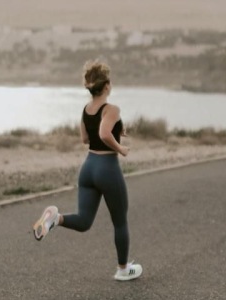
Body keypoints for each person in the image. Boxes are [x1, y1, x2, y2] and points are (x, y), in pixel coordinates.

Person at [32, 60, 143, 281]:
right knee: (120, 221)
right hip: (107, 169)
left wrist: (117, 132)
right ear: (107, 85)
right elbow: (103, 134)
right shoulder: (111, 109)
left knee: (84, 221)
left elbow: (86, 138)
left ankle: (56, 219)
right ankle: (123, 269)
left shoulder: (86, 109)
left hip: (88, 168)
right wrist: (120, 148)